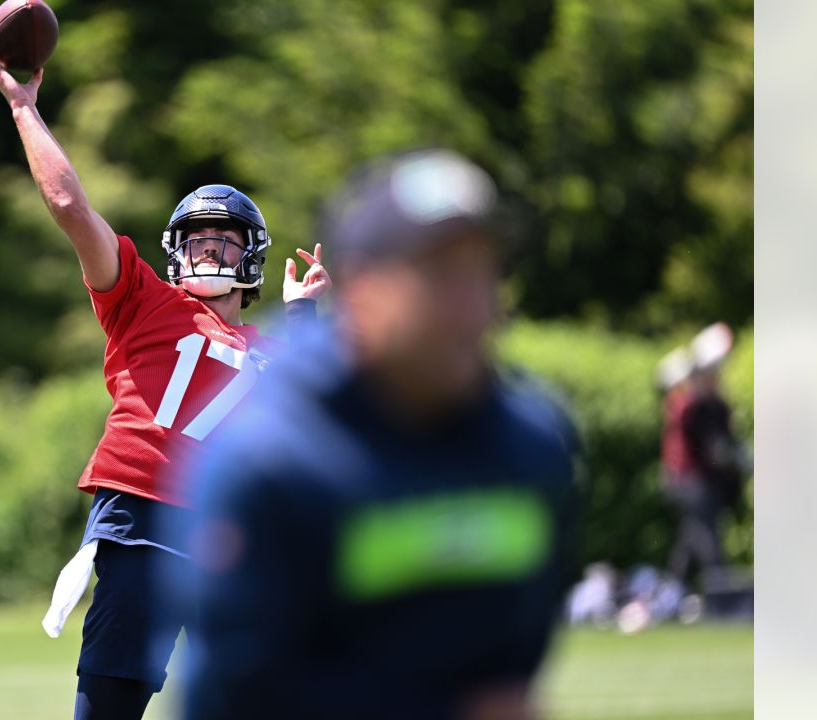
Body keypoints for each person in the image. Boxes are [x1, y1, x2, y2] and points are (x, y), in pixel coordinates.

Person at [0, 41, 332, 720]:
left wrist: (308, 315)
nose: (208, 248)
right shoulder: (141, 299)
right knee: (108, 709)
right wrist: (23, 106)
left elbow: (321, 417)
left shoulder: (273, 351)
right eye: (197, 237)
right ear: (174, 250)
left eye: (224, 239)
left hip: (233, 538)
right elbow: (67, 203)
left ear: (252, 257)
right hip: (139, 524)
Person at [164, 150, 580, 720]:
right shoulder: (264, 464)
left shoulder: (534, 447)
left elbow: (511, 674)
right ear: (361, 291)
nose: (472, 305)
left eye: (482, 271)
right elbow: (232, 699)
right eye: (438, 275)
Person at [661, 324, 747, 590]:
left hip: (703, 480)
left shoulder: (716, 405)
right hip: (686, 479)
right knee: (706, 529)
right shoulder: (690, 405)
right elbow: (712, 445)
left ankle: (672, 588)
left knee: (691, 535)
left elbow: (726, 442)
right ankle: (719, 585)